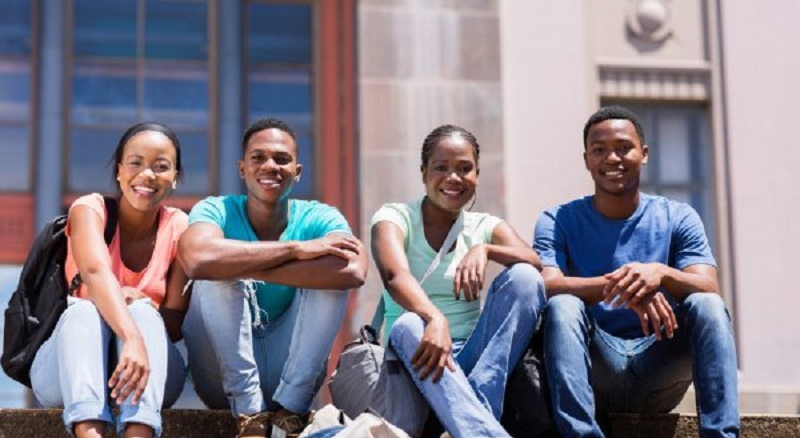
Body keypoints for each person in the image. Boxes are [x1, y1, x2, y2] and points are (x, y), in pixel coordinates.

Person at [534, 105, 739, 437]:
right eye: (599, 150)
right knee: (562, 305)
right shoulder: (557, 220)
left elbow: (708, 286)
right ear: (586, 159)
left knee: (708, 305)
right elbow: (545, 285)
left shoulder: (679, 217)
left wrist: (661, 273)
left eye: (623, 148)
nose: (612, 158)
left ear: (643, 154)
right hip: (593, 367)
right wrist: (628, 288)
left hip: (660, 368)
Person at [178, 118, 368, 438]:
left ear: (298, 171)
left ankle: (290, 413)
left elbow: (354, 270)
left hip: (288, 372)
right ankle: (249, 416)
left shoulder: (320, 217)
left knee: (334, 275)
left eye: (282, 159)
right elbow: (196, 260)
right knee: (215, 269)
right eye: (258, 158)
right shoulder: (216, 210)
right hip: (220, 377)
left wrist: (246, 264)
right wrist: (296, 249)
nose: (271, 166)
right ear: (242, 169)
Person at [371, 124, 546, 438]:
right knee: (410, 324)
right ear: (423, 172)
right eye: (441, 168)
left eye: (464, 169)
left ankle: (474, 412)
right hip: (416, 357)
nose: (453, 178)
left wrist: (486, 249)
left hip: (472, 359)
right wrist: (433, 317)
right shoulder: (395, 217)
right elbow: (394, 276)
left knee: (524, 277)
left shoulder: (484, 225)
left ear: (477, 174)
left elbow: (536, 265)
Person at [30, 122, 189, 438]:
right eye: (136, 163)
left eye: (161, 167)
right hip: (66, 374)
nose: (147, 174)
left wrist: (144, 312)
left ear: (175, 178)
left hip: (147, 377)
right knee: (83, 311)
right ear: (119, 171)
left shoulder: (179, 226)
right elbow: (96, 272)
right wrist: (131, 335)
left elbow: (172, 326)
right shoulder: (90, 210)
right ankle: (89, 433)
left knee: (144, 312)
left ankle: (139, 432)